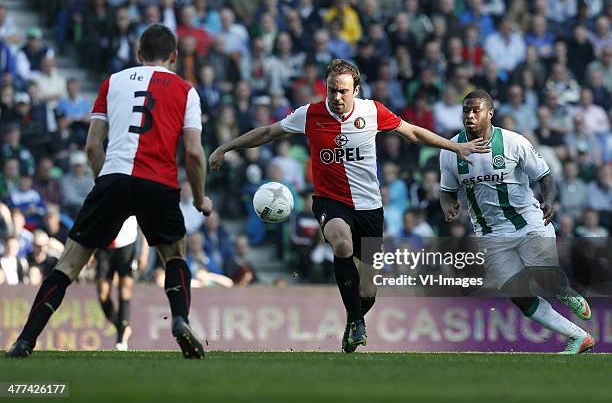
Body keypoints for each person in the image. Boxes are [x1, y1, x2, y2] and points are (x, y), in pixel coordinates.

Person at [209, 59, 488, 353]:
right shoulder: (310, 114)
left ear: (356, 89)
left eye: (343, 91)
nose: (337, 97)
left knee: (368, 289)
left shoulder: (372, 111)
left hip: (369, 206)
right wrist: (225, 147)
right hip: (331, 201)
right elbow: (267, 133)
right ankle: (356, 321)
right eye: (332, 90)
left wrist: (454, 146)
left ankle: (353, 319)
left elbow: (413, 133)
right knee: (340, 242)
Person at [6, 24, 212, 359]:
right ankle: (179, 319)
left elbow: (91, 146)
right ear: (174, 57)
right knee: (174, 256)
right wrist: (200, 197)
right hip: (158, 184)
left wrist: (105, 183)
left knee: (69, 264)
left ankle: (25, 340)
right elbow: (193, 152)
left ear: (138, 53)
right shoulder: (186, 91)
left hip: (113, 178)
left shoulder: (113, 82)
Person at [439, 90, 594, 354]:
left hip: (528, 222)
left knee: (545, 280)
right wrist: (448, 206)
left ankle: (567, 292)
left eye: (476, 110)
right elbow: (447, 191)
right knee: (519, 295)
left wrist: (550, 201)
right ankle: (578, 337)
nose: (470, 115)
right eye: (466, 110)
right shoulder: (451, 150)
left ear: (490, 113)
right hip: (490, 234)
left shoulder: (514, 142)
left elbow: (545, 175)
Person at [95, 216, 138, 351]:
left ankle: (120, 341)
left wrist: (144, 252)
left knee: (124, 290)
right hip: (104, 243)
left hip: (127, 242)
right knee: (103, 294)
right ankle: (122, 328)